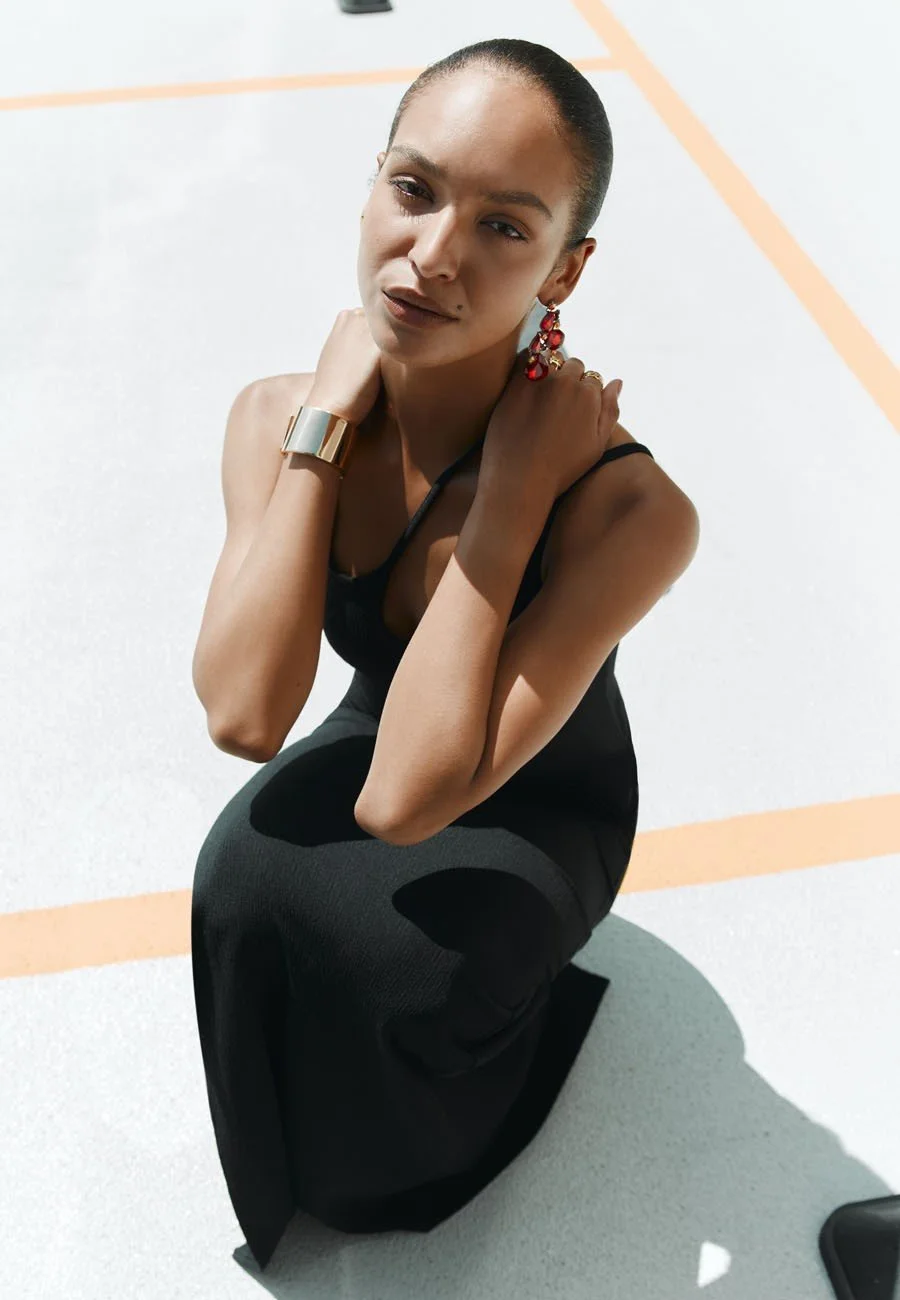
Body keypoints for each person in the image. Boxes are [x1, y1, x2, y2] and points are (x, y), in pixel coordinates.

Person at [190, 38, 699, 1272]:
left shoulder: (628, 509)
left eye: (504, 227)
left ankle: (423, 1152)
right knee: (239, 875)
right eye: (413, 190)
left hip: (544, 799)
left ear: (566, 269)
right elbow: (246, 716)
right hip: (399, 722)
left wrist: (512, 493)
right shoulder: (277, 415)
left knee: (395, 957)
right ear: (372, 183)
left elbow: (403, 805)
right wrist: (322, 427)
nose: (431, 255)